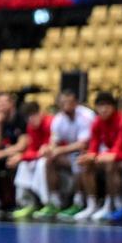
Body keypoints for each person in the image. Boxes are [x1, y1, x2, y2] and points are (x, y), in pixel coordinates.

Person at [39, 90, 95, 220]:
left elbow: (83, 144)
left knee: (79, 160)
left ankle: (79, 202)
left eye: (69, 102)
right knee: (49, 160)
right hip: (70, 153)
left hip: (90, 152)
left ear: (76, 103)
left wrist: (59, 150)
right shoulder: (58, 119)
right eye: (63, 102)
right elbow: (54, 141)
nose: (66, 105)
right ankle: (55, 202)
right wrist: (49, 149)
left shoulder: (86, 115)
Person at [76, 92, 122, 222]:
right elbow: (93, 146)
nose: (104, 109)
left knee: (110, 164)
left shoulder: (121, 120)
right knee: (85, 163)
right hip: (107, 156)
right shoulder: (97, 122)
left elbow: (119, 147)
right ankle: (92, 205)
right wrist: (89, 156)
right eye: (100, 106)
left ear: (113, 107)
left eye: (107, 106)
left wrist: (96, 157)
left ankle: (110, 203)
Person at [11, 101, 54, 219]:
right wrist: (22, 157)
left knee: (41, 164)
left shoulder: (50, 123)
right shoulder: (30, 127)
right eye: (28, 117)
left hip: (53, 157)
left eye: (33, 115)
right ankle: (28, 204)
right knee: (23, 165)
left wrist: (22, 156)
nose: (31, 119)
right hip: (39, 156)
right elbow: (32, 149)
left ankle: (49, 203)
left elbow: (46, 150)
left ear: (40, 112)